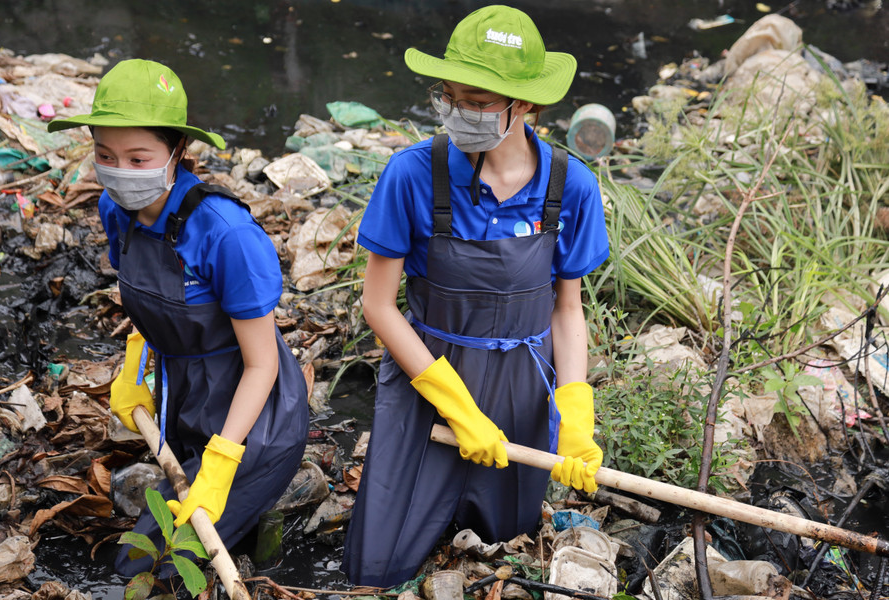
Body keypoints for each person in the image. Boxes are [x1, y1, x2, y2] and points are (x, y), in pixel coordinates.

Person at [341, 5, 609, 587]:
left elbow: (567, 309)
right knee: (375, 567)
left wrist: (576, 412)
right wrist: (456, 406)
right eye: (452, 96)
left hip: (522, 384)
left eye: (480, 102)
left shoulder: (572, 188)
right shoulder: (412, 175)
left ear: (528, 104)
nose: (461, 112)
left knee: (502, 549)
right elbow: (379, 305)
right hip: (427, 378)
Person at [47, 59, 309, 577]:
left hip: (253, 417)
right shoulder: (114, 210)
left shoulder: (225, 234)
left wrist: (224, 459)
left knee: (141, 568)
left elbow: (262, 364)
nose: (119, 169)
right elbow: (141, 300)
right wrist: (132, 369)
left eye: (138, 156)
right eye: (105, 154)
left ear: (178, 153)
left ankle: (258, 506)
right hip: (181, 394)